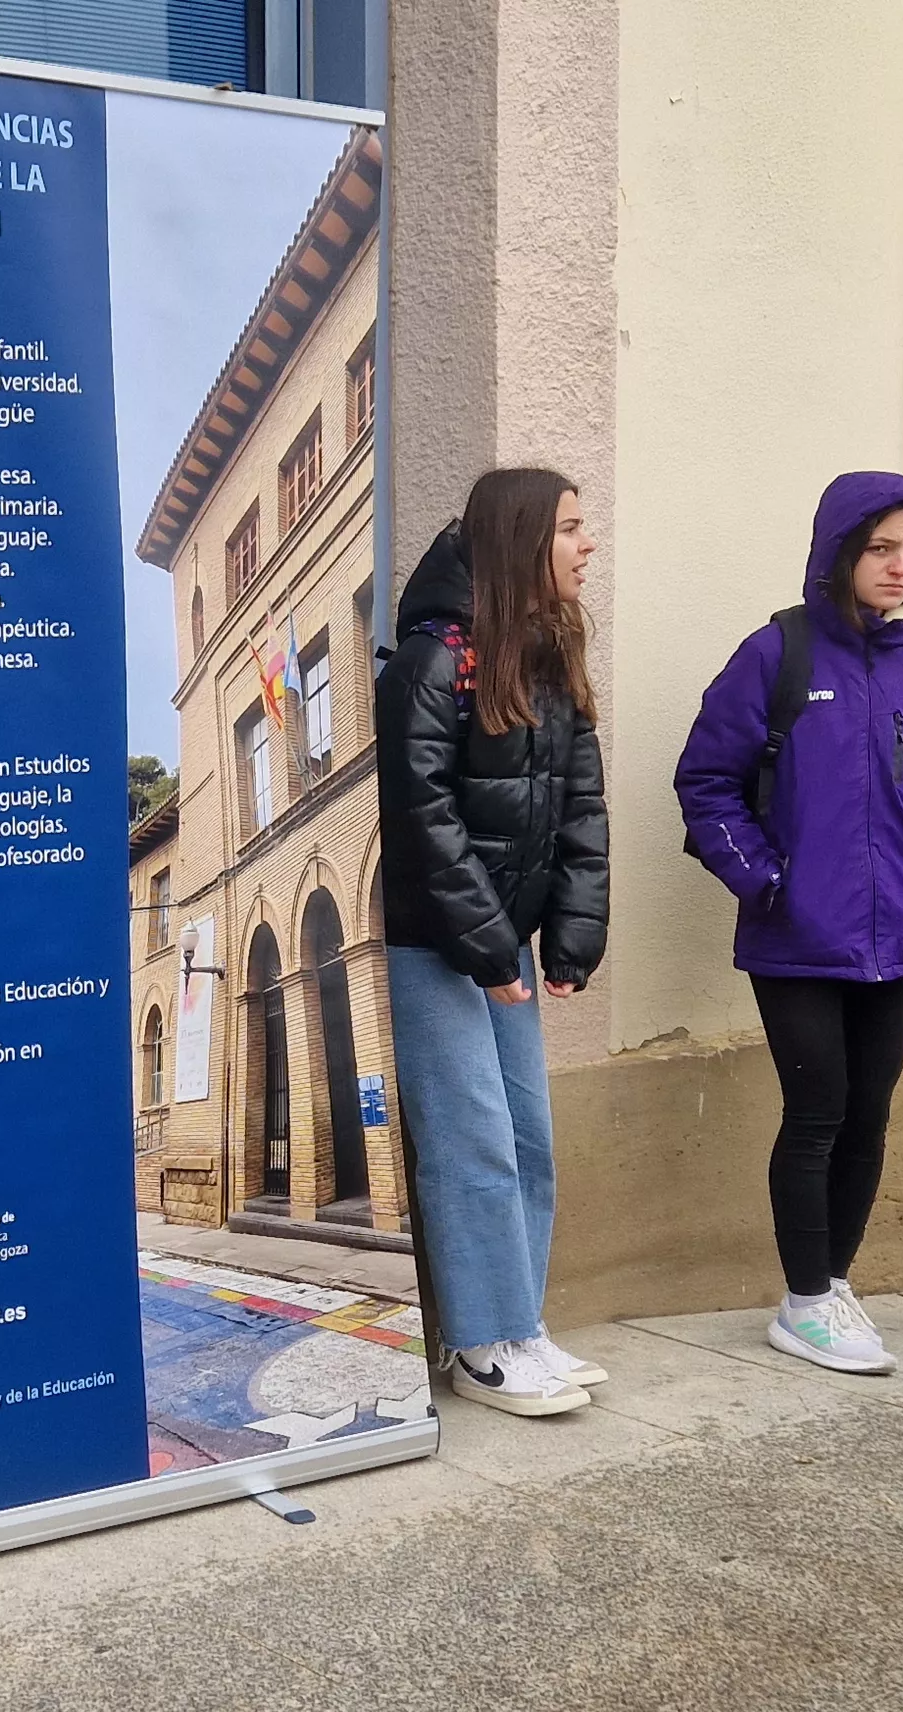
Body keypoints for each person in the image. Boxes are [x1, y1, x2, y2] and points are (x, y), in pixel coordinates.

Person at [674, 472, 903, 1377]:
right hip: (797, 933)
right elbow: (705, 781)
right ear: (841, 551)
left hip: (895, 934)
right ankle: (803, 1302)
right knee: (818, 1114)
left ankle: (832, 1284)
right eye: (882, 548)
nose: (899, 566)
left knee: (870, 1118)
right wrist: (764, 879)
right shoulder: (777, 652)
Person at [377, 467, 612, 1417]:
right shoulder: (435, 662)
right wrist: (486, 950)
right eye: (568, 528)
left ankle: (518, 1322)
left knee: (527, 1137)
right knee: (471, 1136)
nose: (586, 545)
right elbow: (422, 819)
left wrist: (568, 943)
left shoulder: (548, 658)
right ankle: (478, 1343)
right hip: (431, 940)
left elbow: (580, 808)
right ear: (520, 541)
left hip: (498, 942)